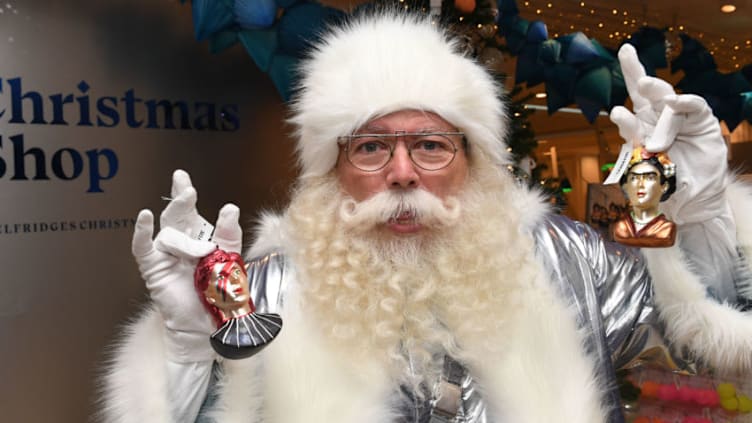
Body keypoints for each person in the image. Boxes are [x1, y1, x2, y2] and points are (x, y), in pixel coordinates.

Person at [100, 12, 752, 423]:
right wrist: (183, 348)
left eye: (431, 145)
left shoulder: (569, 259)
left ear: (474, 161)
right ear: (333, 167)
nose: (403, 172)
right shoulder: (265, 289)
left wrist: (699, 212)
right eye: (372, 146)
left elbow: (705, 341)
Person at [612, 147, 677, 248]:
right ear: (626, 186)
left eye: (650, 178)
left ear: (664, 186)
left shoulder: (665, 228)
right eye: (634, 178)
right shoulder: (621, 227)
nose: (640, 184)